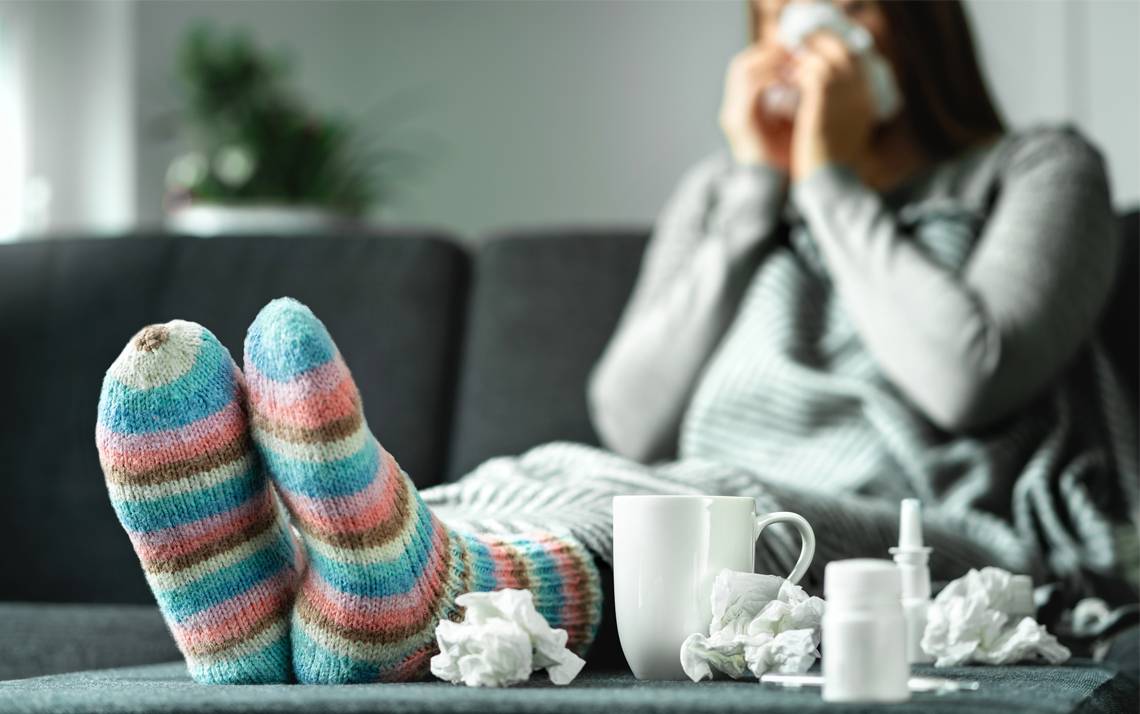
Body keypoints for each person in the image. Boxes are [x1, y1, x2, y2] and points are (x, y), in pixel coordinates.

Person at [95, 0, 1135, 687]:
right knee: (533, 469)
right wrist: (750, 202)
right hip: (689, 481)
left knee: (694, 512)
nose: (814, 42)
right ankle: (283, 608)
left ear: (915, 27)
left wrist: (827, 180)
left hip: (923, 533)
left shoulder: (1041, 169)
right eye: (785, 15)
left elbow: (966, 378)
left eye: (848, 11)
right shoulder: (726, 198)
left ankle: (416, 604)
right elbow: (627, 412)